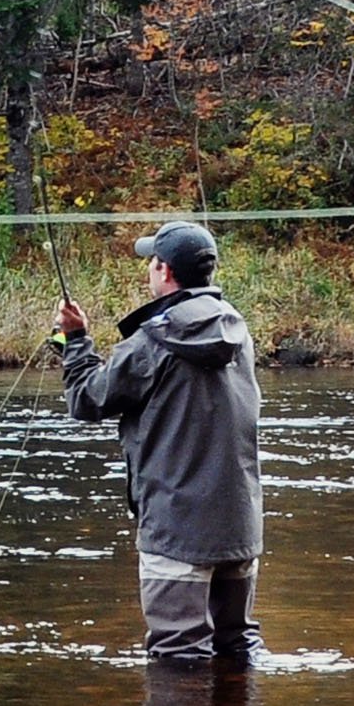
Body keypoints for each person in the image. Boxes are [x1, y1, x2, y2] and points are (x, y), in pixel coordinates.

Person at [53, 220, 264, 669]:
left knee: (177, 659)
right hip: (239, 529)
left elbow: (87, 400)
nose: (149, 269)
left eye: (151, 262)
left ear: (165, 271)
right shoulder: (237, 331)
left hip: (177, 531)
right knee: (236, 649)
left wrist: (75, 340)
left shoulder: (151, 342)